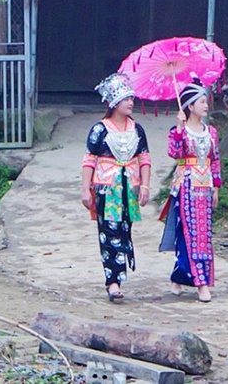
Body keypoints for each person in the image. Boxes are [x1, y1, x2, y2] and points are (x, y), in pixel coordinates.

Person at [81, 74, 151, 303]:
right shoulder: (100, 130)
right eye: (125, 99)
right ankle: (112, 282)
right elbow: (89, 159)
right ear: (113, 103)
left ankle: (119, 276)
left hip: (129, 187)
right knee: (108, 232)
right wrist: (85, 189)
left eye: (131, 98)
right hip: (107, 188)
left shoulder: (137, 129)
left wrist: (145, 186)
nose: (130, 103)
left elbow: (144, 159)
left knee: (123, 230)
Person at [162, 80, 220, 302]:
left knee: (204, 233)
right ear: (190, 106)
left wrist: (216, 187)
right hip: (186, 184)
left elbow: (215, 160)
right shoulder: (180, 131)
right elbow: (174, 153)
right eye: (202, 101)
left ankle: (182, 275)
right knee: (189, 232)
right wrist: (178, 129)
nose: (206, 105)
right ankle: (200, 282)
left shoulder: (211, 132)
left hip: (205, 186)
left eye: (206, 101)